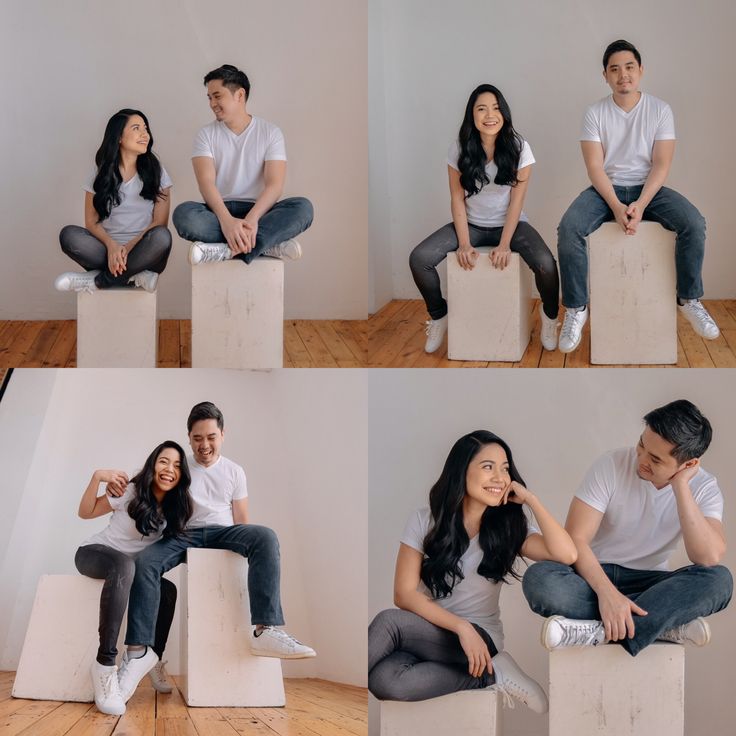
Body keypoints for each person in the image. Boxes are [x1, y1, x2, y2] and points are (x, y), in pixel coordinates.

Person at [108, 401, 316, 703]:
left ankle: (265, 630)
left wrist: (247, 552)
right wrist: (114, 483)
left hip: (223, 532)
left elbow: (241, 519)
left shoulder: (234, 471)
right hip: (183, 534)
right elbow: (149, 485)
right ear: (189, 437)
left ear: (222, 435)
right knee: (146, 562)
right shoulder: (180, 469)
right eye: (197, 438)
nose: (204, 445)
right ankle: (139, 651)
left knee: (265, 536)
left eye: (211, 437)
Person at [368, 430, 577, 712]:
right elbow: (403, 594)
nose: (499, 478)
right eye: (487, 467)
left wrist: (531, 500)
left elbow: (567, 554)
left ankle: (335, 712)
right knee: (385, 681)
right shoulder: (425, 521)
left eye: (504, 469)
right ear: (461, 471)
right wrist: (460, 626)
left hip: (483, 638)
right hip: (437, 632)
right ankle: (489, 675)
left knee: (388, 623)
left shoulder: (510, 529)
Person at [522, 400, 732, 656]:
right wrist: (607, 595)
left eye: (655, 459)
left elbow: (707, 556)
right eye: (642, 445)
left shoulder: (704, 487)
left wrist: (681, 487)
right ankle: (658, 626)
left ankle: (598, 632)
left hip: (654, 586)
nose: (641, 459)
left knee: (720, 581)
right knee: (540, 579)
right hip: (593, 576)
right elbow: (576, 540)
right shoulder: (611, 465)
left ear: (688, 465)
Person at [557, 40, 719, 353]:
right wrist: (617, 206)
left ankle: (688, 298)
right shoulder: (595, 113)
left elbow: (662, 164)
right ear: (605, 75)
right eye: (614, 69)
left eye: (629, 67)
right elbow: (595, 168)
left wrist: (640, 204)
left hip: (650, 189)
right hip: (607, 188)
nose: (623, 75)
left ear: (641, 70)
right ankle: (576, 308)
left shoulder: (660, 109)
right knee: (569, 228)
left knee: (694, 223)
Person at [409, 84, 561, 355]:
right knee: (420, 258)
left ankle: (550, 319)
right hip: (472, 225)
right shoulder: (458, 149)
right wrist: (464, 244)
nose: (490, 115)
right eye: (482, 109)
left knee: (546, 265)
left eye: (496, 108)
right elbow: (457, 199)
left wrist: (504, 245)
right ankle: (439, 315)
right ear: (472, 115)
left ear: (504, 113)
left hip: (511, 225)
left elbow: (517, 201)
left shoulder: (520, 147)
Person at [76, 441, 192, 716]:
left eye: (177, 465)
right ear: (153, 464)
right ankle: (105, 664)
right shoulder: (130, 491)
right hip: (95, 554)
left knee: (167, 591)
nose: (169, 469)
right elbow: (86, 512)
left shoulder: (174, 511)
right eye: (164, 461)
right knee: (125, 565)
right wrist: (96, 477)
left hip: (127, 569)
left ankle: (150, 661)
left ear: (181, 475)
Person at [172, 64, 313, 265]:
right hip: (219, 211)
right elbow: (206, 184)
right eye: (209, 98)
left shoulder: (270, 133)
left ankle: (226, 250)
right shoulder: (205, 135)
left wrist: (252, 220)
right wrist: (227, 222)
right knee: (184, 215)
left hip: (259, 211)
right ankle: (267, 245)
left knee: (303, 208)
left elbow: (275, 185)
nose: (212, 103)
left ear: (239, 95)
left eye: (217, 96)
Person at [56, 109, 173, 293]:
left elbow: (160, 222)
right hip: (106, 251)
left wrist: (127, 248)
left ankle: (98, 280)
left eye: (146, 128)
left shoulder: (157, 170)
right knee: (68, 235)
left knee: (162, 237)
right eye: (136, 128)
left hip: (145, 251)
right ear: (119, 137)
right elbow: (91, 223)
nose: (145, 134)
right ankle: (135, 276)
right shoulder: (99, 174)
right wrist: (112, 247)